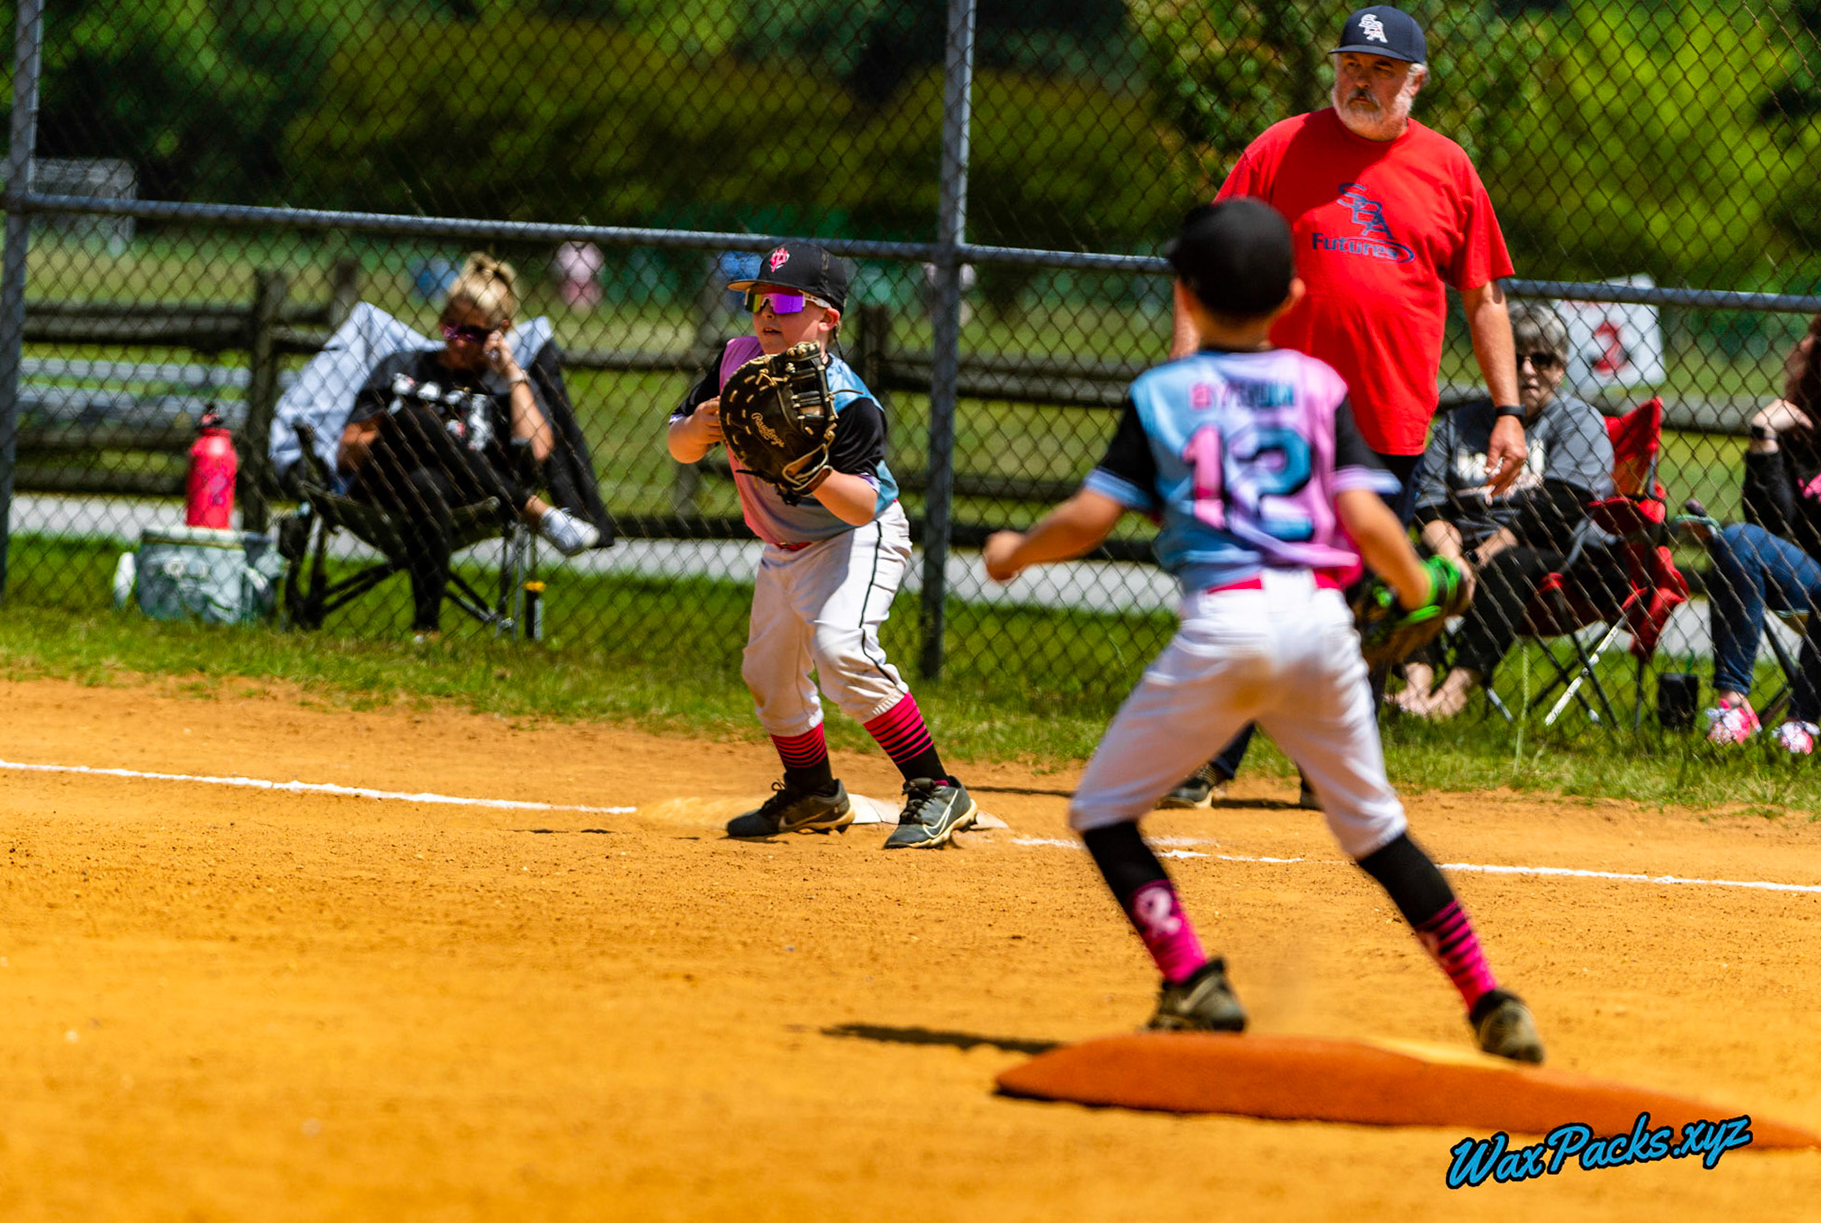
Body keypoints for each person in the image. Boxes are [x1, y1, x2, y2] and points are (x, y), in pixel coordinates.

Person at [982, 200, 1544, 1062]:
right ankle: (1488, 998)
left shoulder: (1162, 393)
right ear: (1291, 293)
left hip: (1224, 626)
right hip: (1321, 625)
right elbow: (1363, 511)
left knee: (1103, 813)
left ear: (1187, 295)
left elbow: (1093, 516)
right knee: (1377, 832)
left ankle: (1193, 981)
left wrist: (1017, 552)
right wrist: (1421, 582)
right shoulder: (1319, 387)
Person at [1168, 5, 1528, 807]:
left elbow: (1485, 299)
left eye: (1381, 70)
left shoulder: (1448, 169)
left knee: (1354, 604)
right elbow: (1203, 260)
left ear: (1416, 82)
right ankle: (1212, 759)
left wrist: (1509, 410)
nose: (1360, 82)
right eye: (1350, 65)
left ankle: (1326, 768)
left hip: (1386, 423)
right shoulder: (1280, 147)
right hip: (1270, 412)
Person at [666, 242, 978, 849]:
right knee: (768, 672)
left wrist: (809, 471)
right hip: (783, 544)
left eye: (785, 301)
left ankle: (936, 788)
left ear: (828, 318)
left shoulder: (849, 400)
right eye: (757, 300)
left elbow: (862, 503)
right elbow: (678, 443)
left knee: (841, 647)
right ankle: (813, 792)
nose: (766, 314)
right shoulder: (735, 363)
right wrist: (697, 429)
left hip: (856, 537)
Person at [337, 253, 601, 638]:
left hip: (463, 499)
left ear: (501, 332)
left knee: (429, 483)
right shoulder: (404, 364)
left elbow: (539, 449)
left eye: (473, 334)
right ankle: (534, 510)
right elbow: (347, 449)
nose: (458, 342)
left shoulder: (502, 388)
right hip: (381, 486)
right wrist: (402, 433)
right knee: (413, 418)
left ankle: (426, 629)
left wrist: (512, 375)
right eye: (450, 327)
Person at [1392, 301, 1622, 719]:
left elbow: (1561, 508)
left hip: (1551, 553)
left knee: (1508, 564)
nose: (1529, 370)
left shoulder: (1578, 421)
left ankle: (1453, 695)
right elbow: (1427, 504)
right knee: (1407, 559)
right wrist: (1450, 559)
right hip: (1460, 545)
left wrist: (1479, 558)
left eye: (1543, 359)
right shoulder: (1459, 423)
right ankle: (1416, 687)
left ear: (1562, 365)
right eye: (1516, 359)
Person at [1696, 314, 1821, 753]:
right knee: (1736, 539)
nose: (1800, 346)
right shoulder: (1800, 432)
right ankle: (1734, 707)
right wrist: (1764, 436)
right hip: (1807, 574)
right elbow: (1769, 527)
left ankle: (1803, 722)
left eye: (1813, 339)